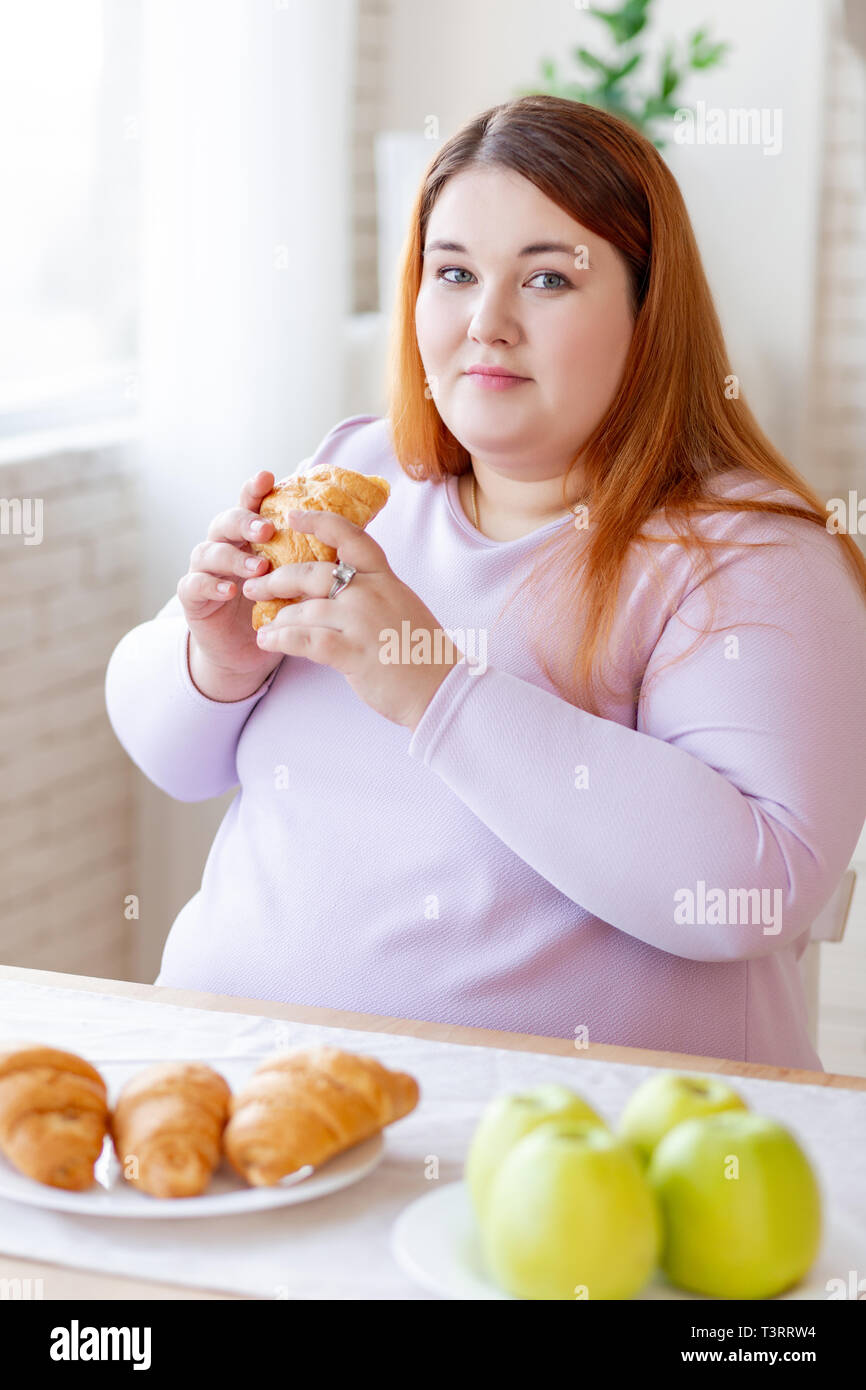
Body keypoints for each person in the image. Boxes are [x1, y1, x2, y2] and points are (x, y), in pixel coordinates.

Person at [105, 95, 866, 1069]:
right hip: (234, 1107)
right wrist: (214, 657)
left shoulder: (748, 557)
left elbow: (755, 886)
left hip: (542, 1165)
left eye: (547, 278)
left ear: (647, 309)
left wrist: (435, 691)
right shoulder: (358, 475)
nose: (485, 323)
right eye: (453, 272)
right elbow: (173, 758)